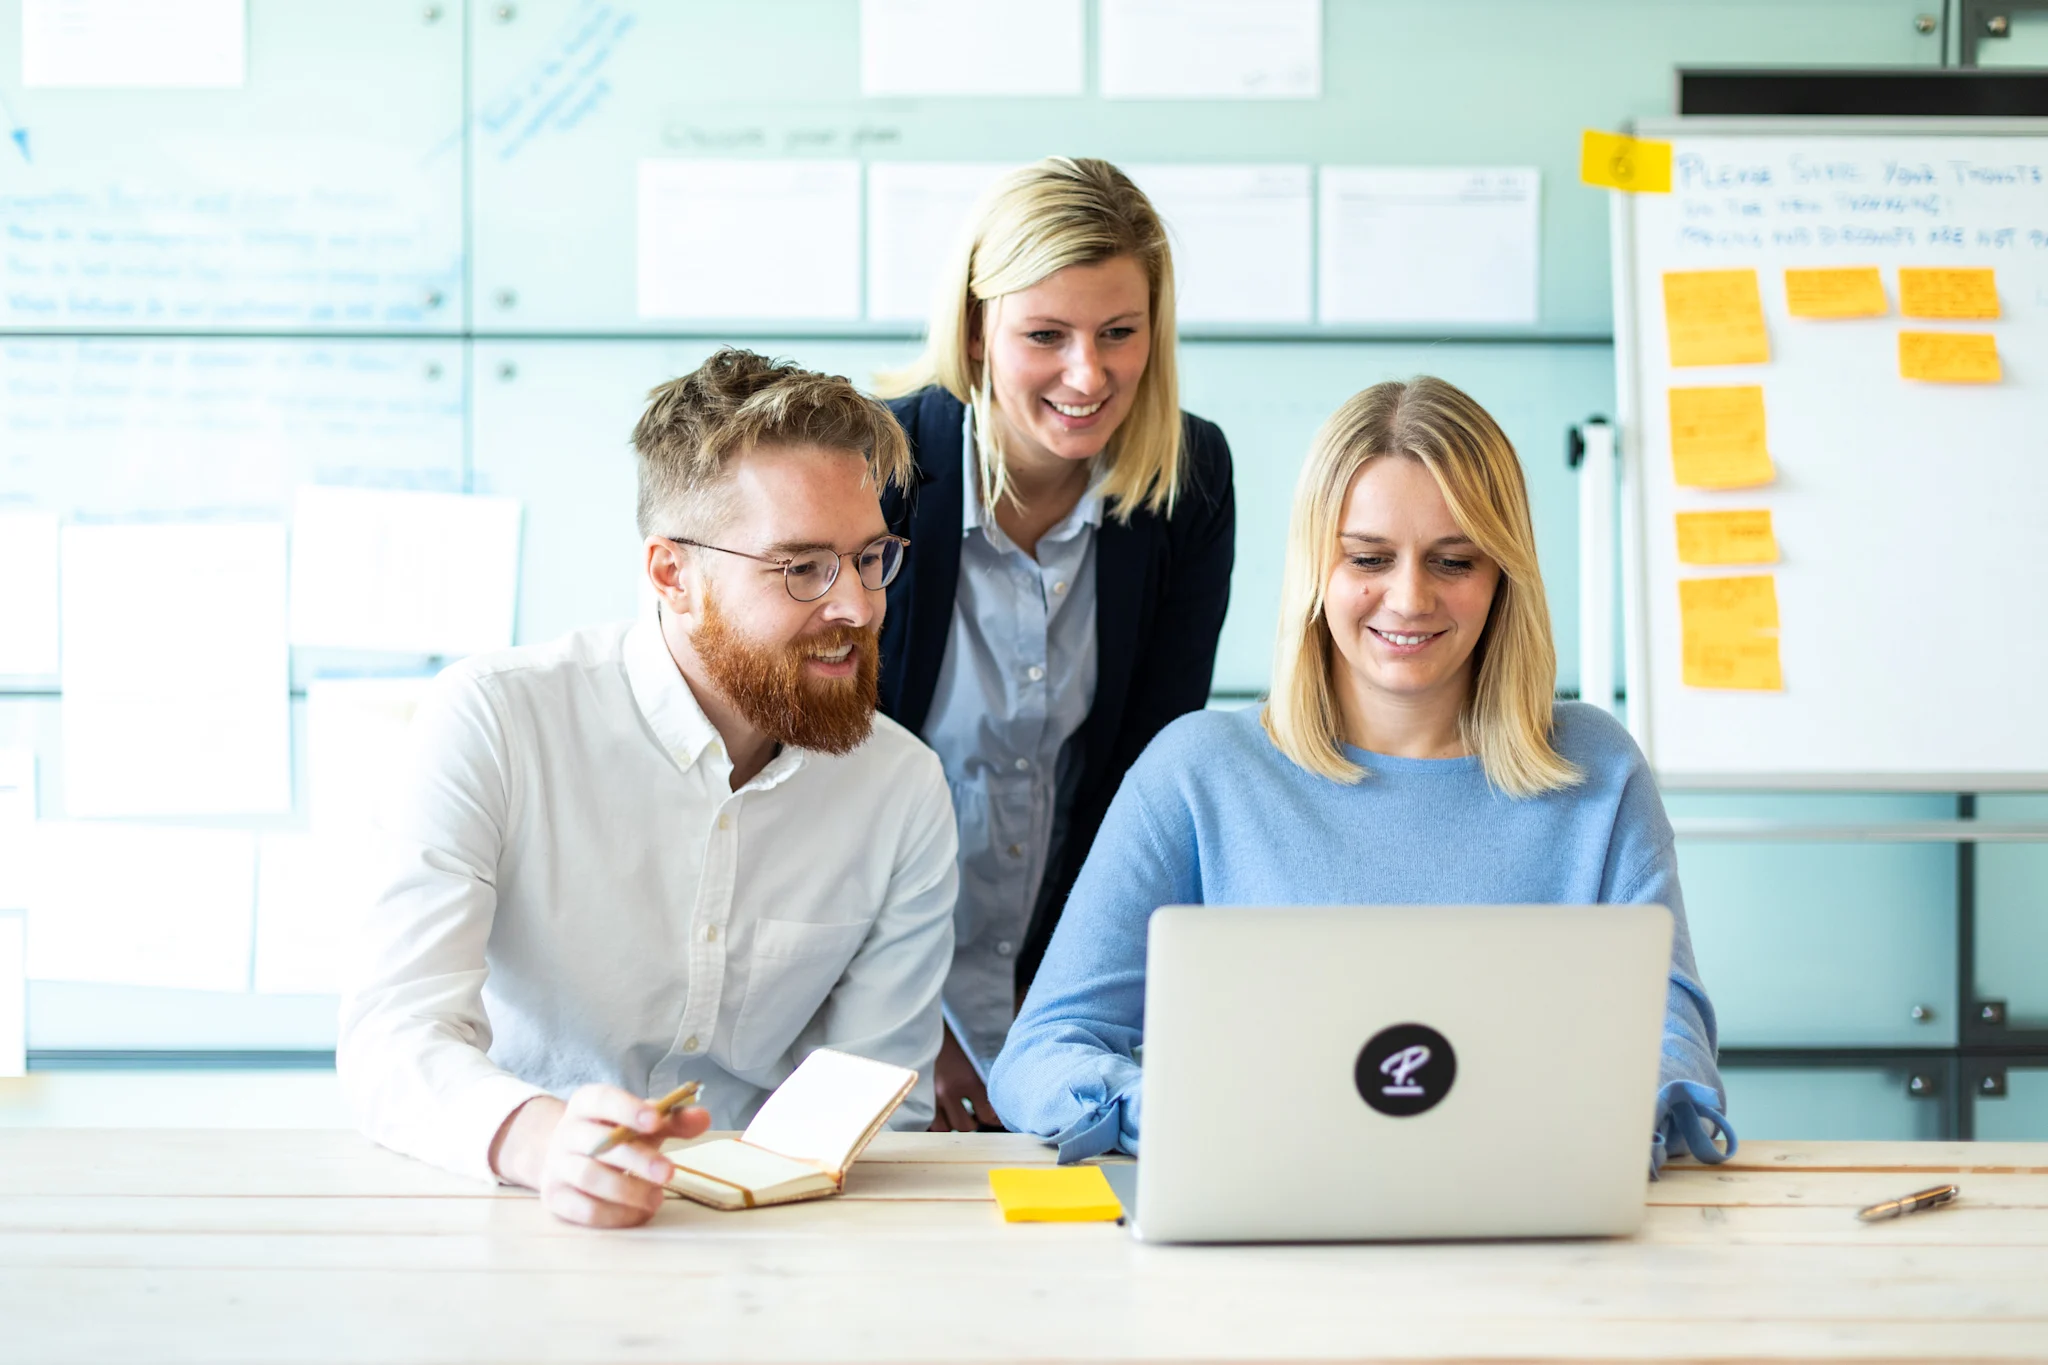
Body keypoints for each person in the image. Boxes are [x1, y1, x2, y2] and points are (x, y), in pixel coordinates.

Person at [989, 376, 1734, 1173]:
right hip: (1265, 1212)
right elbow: (1042, 1051)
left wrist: (1615, 1118)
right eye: (1369, 558)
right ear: (1316, 567)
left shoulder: (1597, 770)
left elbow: (1673, 1036)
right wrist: (1183, 1113)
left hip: (1535, 1210)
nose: (1409, 598)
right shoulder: (1197, 773)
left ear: (1503, 573)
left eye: (1454, 560)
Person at [338, 349, 960, 1227]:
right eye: (802, 568)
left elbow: (877, 1092)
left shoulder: (902, 788)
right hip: (513, 1203)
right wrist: (544, 1142)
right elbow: (393, 1038)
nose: (858, 606)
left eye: (868, 558)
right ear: (673, 575)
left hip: (778, 1224)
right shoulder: (495, 721)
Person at [872, 156, 1236, 1133]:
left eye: (1120, 332)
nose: (1089, 374)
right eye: (1046, 335)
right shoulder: (873, 468)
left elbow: (1143, 783)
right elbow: (821, 793)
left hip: (1061, 996)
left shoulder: (1187, 480)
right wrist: (916, 1026)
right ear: (975, 329)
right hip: (871, 998)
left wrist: (1063, 1023)